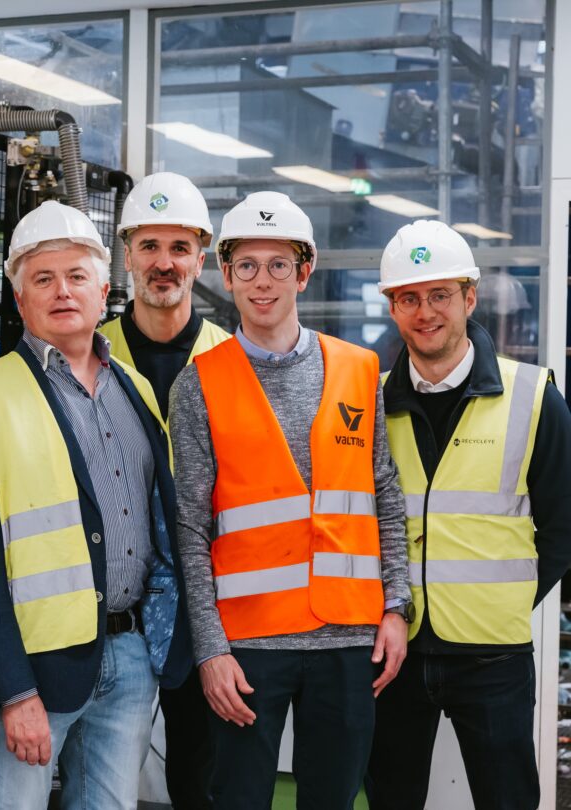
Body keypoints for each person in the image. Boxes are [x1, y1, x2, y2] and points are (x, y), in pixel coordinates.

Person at [0, 200, 191, 809]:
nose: (62, 292)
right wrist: (13, 689)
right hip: (30, 670)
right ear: (20, 300)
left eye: (77, 276)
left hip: (129, 657)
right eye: (43, 280)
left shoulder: (133, 391)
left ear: (105, 291)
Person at [169, 191, 411, 810]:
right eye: (246, 265)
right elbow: (190, 530)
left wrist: (396, 609)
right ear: (226, 275)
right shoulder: (198, 384)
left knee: (333, 800)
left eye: (279, 265)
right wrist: (211, 651)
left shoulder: (361, 371)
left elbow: (383, 495)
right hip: (248, 649)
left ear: (305, 272)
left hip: (349, 640)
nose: (262, 281)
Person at [365, 220, 571, 810]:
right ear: (392, 306)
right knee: (390, 797)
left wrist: (505, 596)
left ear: (469, 297)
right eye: (408, 297)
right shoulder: (371, 404)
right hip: (392, 649)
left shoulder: (533, 398)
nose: (424, 312)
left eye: (439, 295)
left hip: (492, 656)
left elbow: (563, 526)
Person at [98, 172, 229, 808]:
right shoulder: (86, 354)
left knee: (198, 780)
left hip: (205, 607)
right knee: (104, 778)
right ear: (126, 255)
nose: (164, 263)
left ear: (200, 258)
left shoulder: (231, 361)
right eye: (149, 247)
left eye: (179, 248)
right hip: (113, 605)